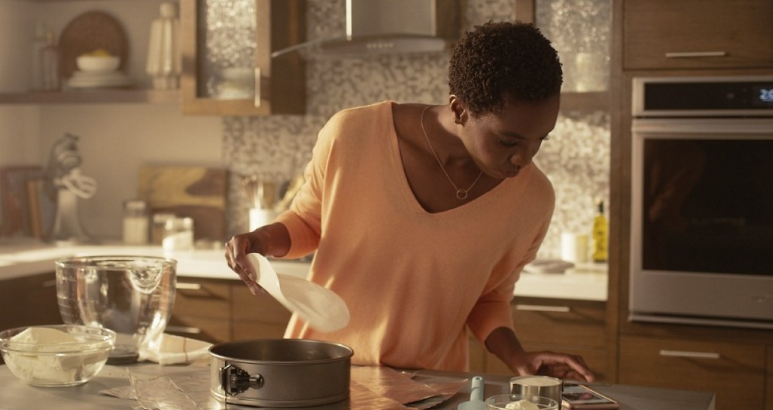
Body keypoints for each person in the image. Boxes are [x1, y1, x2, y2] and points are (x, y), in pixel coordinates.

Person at [225, 21, 595, 382]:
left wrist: (520, 359)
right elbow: (307, 224)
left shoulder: (533, 199)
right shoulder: (353, 135)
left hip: (428, 388)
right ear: (460, 109)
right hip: (321, 371)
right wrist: (260, 241)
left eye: (541, 139)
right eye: (509, 142)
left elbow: (489, 297)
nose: (524, 158)